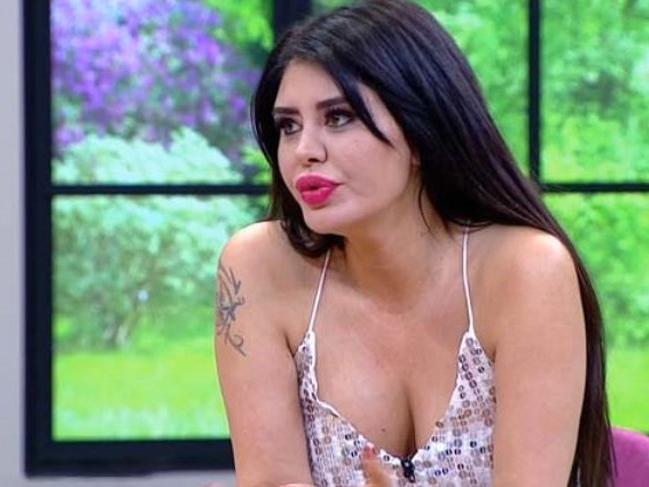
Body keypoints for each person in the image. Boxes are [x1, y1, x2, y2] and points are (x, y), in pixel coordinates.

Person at [214, 0, 613, 485]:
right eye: (288, 126)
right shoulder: (258, 265)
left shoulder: (526, 270)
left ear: (422, 131)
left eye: (338, 117)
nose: (304, 151)